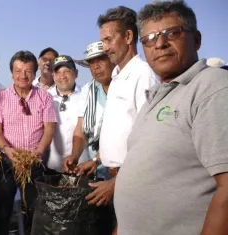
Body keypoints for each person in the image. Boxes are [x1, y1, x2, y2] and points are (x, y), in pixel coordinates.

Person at [114, 1, 228, 235]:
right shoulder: (156, 96)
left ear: (196, 39)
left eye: (172, 33)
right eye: (149, 39)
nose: (160, 44)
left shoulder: (212, 87)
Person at [94, 6, 159, 208]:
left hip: (132, 179)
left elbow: (150, 140)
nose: (105, 47)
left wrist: (117, 183)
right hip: (112, 173)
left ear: (128, 36)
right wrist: (96, 160)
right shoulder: (117, 77)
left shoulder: (143, 75)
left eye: (108, 40)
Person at [0, 50, 57, 235]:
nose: (23, 75)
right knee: (3, 210)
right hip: (6, 162)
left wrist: (38, 152)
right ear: (11, 73)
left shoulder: (44, 97)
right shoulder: (0, 97)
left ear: (35, 74)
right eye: (18, 70)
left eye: (28, 71)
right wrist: (8, 150)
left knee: (33, 210)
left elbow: (49, 129)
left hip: (34, 162)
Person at [63, 41, 114, 180]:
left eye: (101, 60)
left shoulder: (123, 86)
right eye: (92, 62)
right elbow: (81, 129)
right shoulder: (88, 90)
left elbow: (125, 136)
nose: (96, 67)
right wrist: (74, 155)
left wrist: (96, 160)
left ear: (113, 60)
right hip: (96, 169)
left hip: (121, 168)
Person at [46, 55, 88, 173]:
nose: (62, 76)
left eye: (67, 71)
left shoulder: (86, 95)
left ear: (76, 73)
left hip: (81, 166)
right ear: (53, 76)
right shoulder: (46, 97)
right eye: (58, 72)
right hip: (52, 166)